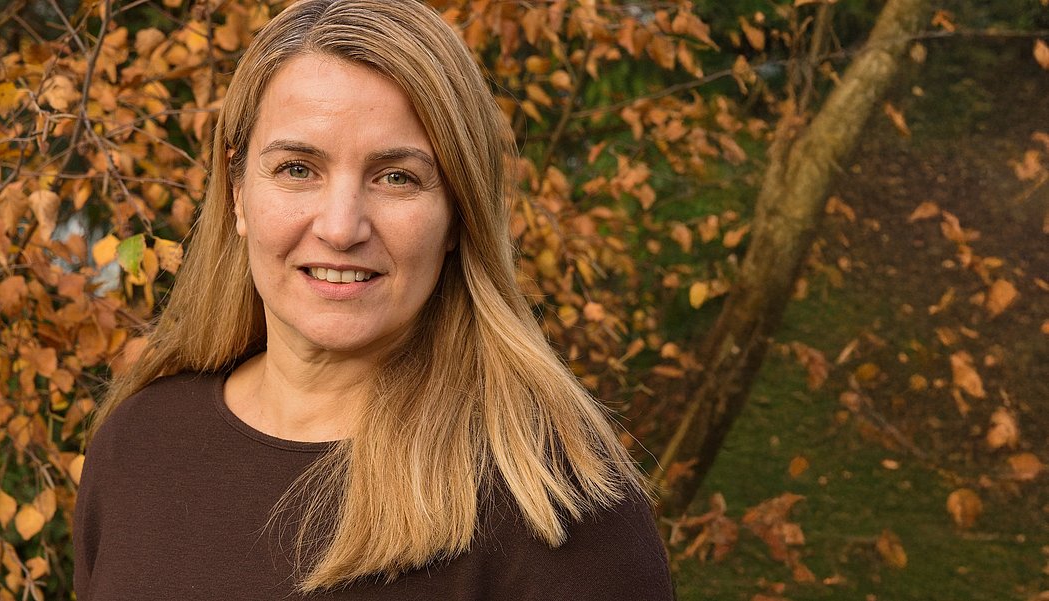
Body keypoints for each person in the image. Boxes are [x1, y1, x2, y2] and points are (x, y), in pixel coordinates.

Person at [73, 0, 674, 599]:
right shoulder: (139, 442)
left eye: (396, 178)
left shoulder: (552, 507)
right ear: (237, 193)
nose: (341, 227)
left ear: (457, 217)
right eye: (297, 169)